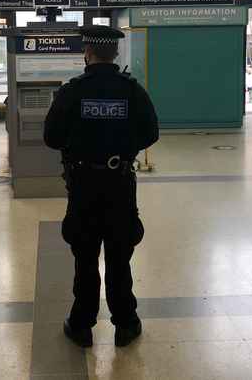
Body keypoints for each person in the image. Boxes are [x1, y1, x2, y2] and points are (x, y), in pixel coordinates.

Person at [44, 25, 159, 348]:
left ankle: (81, 325)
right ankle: (126, 323)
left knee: (85, 255)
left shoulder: (72, 91)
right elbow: (151, 133)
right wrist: (123, 148)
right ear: (115, 53)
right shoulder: (132, 90)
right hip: (120, 184)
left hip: (83, 186)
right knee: (120, 255)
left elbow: (51, 138)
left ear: (88, 52)